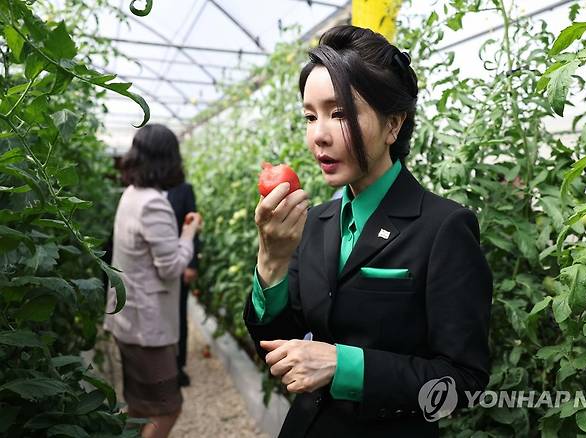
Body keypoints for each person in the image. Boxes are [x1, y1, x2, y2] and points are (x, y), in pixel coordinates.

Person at [244, 25, 493, 437]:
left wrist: (345, 366)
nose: (318, 135)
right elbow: (280, 352)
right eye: (310, 116)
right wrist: (271, 261)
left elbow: (462, 384)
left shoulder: (442, 228)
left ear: (393, 124)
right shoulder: (316, 222)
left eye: (339, 113)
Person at [104, 124, 202, 438]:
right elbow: (171, 267)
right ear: (169, 159)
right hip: (147, 328)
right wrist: (188, 233)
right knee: (167, 409)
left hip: (127, 319)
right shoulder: (153, 203)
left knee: (138, 406)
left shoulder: (131, 195)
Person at [166, 182, 201, 387]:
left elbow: (192, 224)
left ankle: (178, 366)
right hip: (153, 267)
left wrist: (191, 264)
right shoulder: (144, 188)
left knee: (178, 314)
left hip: (180, 261)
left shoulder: (183, 189)